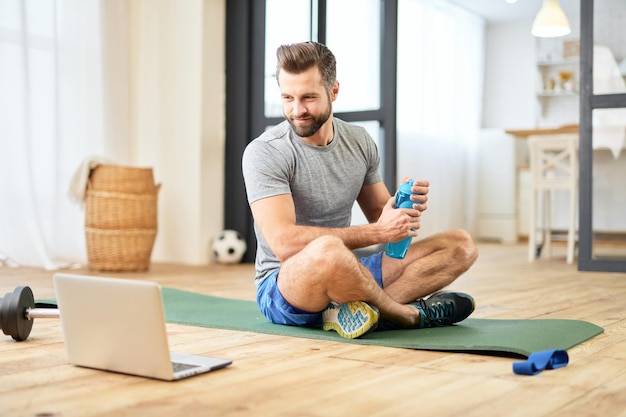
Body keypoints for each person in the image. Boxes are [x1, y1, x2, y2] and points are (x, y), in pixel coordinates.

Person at [242, 41, 478, 339]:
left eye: (308, 97)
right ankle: (403, 314)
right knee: (328, 251)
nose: (296, 109)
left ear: (334, 91)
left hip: (347, 268)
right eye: (287, 97)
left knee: (460, 244)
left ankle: (359, 313)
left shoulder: (359, 141)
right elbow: (285, 244)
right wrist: (377, 232)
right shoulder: (265, 152)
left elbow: (382, 215)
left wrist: (401, 212)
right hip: (286, 285)